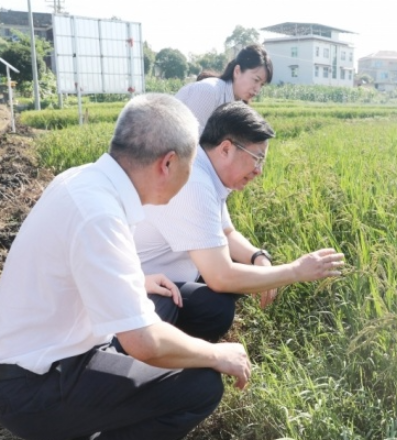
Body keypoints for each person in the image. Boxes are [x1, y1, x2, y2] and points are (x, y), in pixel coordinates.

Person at [0, 94, 251, 440]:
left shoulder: (87, 181)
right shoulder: (99, 213)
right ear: (167, 164)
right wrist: (216, 354)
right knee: (200, 385)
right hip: (34, 385)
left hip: (50, 352)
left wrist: (137, 280)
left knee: (169, 302)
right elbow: (144, 343)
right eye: (191, 166)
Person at [135, 101, 345, 343]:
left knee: (236, 271)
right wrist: (296, 271)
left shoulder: (203, 171)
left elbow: (226, 232)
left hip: (172, 273)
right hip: (143, 285)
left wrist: (259, 258)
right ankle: (174, 358)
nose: (259, 171)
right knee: (216, 308)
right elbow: (221, 277)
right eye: (257, 159)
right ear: (225, 149)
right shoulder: (193, 183)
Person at [175, 44, 273, 135]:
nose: (257, 90)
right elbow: (192, 141)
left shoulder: (238, 106)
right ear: (237, 71)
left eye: (262, 85)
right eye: (256, 80)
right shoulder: (209, 91)